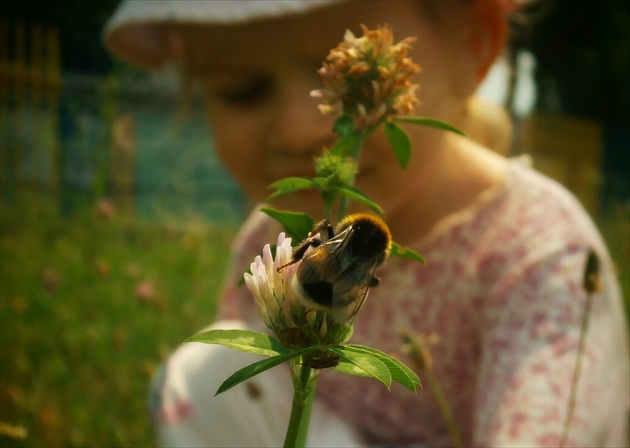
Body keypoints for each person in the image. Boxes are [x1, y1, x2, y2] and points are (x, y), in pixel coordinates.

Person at [104, 1, 629, 446]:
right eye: (242, 90)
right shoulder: (267, 243)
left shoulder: (539, 257)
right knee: (204, 373)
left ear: (472, 46)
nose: (300, 129)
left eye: (356, 85)